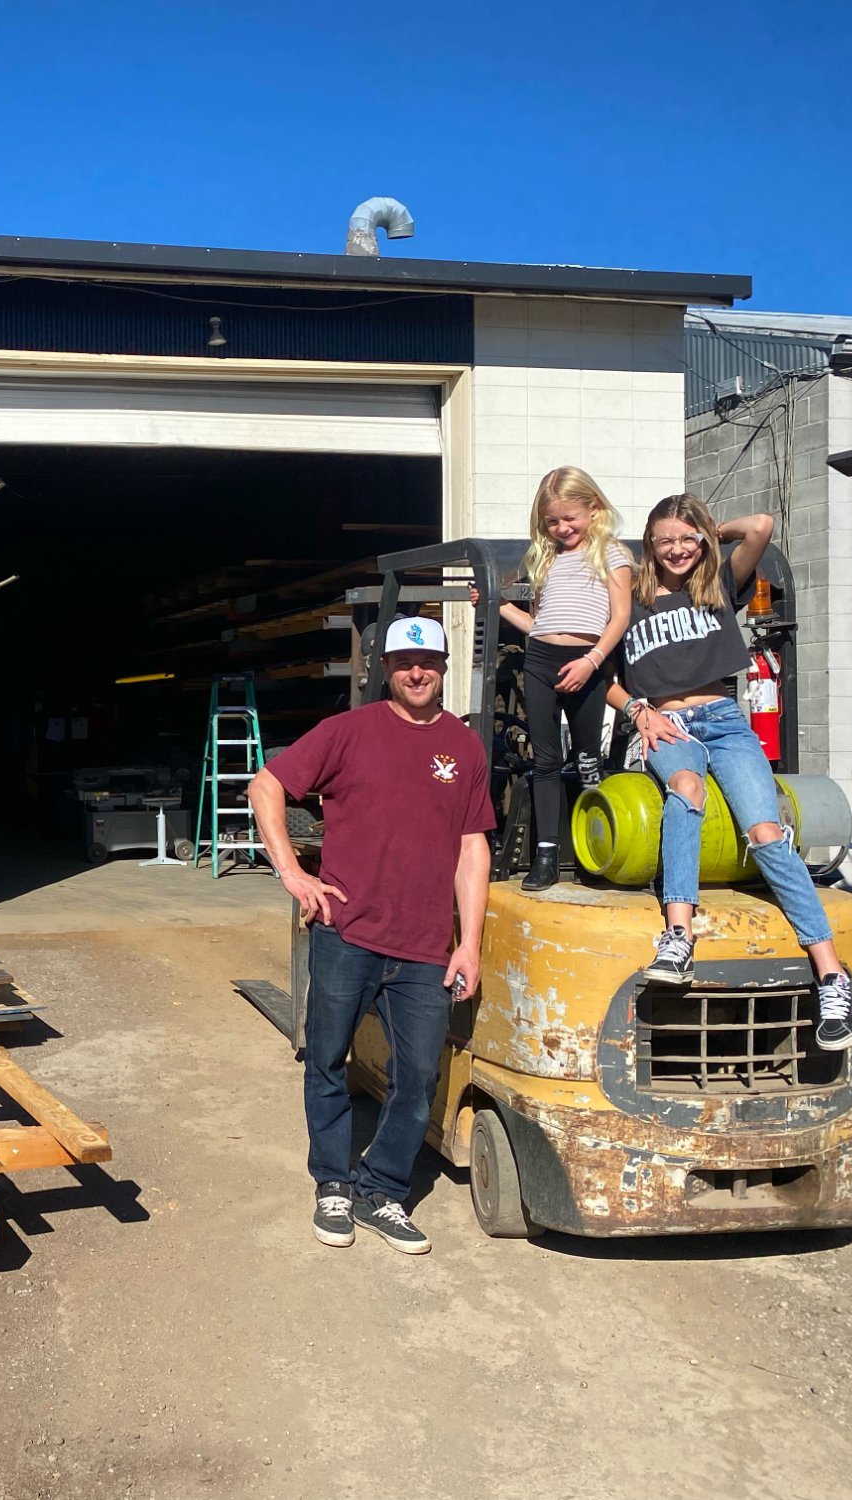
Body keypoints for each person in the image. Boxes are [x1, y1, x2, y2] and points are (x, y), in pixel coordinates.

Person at [249, 616, 496, 1254]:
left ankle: (381, 1189)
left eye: (430, 662)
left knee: (416, 1075)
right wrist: (293, 872)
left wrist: (468, 941)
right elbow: (266, 785)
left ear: (445, 666)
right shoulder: (348, 732)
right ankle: (332, 1183)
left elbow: (473, 848)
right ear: (386, 668)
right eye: (405, 662)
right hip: (346, 933)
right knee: (328, 1061)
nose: (418, 672)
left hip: (422, 948)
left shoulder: (465, 749)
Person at [605, 495, 852, 1049]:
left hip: (724, 718)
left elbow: (762, 525)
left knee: (767, 832)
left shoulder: (718, 583)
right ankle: (678, 935)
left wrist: (705, 531)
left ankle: (831, 974)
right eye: (665, 539)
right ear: (649, 543)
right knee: (685, 788)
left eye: (687, 538)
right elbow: (597, 668)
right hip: (665, 723)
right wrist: (636, 710)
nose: (677, 549)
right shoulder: (631, 597)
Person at [494, 467, 633, 891]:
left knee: (590, 758)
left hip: (585, 662)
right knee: (546, 760)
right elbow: (539, 623)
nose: (561, 528)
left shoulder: (612, 553)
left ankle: (600, 847)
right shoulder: (548, 558)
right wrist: (497, 604)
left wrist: (591, 661)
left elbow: (621, 617)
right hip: (541, 659)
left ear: (594, 508)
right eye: (552, 521)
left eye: (569, 518)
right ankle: (548, 854)